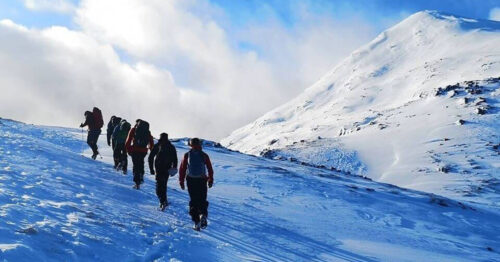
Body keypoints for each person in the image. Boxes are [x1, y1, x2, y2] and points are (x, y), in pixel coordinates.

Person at [179, 138, 214, 231]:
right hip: (202, 180)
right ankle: (203, 214)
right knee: (202, 199)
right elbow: (210, 168)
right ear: (199, 144)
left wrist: (181, 181)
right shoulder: (204, 155)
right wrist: (210, 179)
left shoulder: (187, 155)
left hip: (191, 180)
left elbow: (182, 169)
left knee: (193, 201)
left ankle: (196, 222)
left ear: (190, 145)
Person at [148, 133, 178, 211]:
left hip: (158, 168)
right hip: (167, 169)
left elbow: (151, 157)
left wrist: (151, 169)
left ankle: (162, 201)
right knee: (163, 185)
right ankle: (164, 201)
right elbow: (175, 159)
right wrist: (174, 168)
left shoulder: (158, 145)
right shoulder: (171, 146)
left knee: (159, 186)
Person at [125, 119, 154, 189]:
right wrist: (151, 149)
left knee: (136, 166)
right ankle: (141, 176)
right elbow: (151, 141)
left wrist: (128, 149)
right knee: (141, 163)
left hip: (134, 150)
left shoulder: (134, 130)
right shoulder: (147, 131)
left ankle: (137, 183)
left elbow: (128, 140)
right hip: (143, 151)